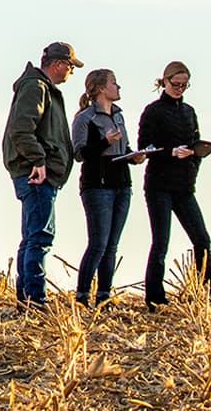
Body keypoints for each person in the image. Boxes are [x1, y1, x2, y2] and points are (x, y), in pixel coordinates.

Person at [137, 61, 211, 309]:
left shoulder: (189, 111)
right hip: (159, 185)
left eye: (184, 85)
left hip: (185, 186)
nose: (179, 89)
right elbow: (145, 147)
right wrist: (171, 153)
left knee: (202, 239)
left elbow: (195, 143)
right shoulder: (152, 112)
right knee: (161, 242)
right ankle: (155, 297)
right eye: (175, 84)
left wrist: (195, 156)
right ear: (164, 82)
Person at [2, 41, 83, 306]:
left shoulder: (41, 88)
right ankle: (35, 299)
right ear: (59, 64)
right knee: (40, 236)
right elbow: (21, 128)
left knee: (33, 236)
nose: (71, 72)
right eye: (71, 66)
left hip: (37, 171)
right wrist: (38, 160)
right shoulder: (37, 88)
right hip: (36, 173)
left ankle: (27, 297)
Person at [70, 69, 145, 307]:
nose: (118, 87)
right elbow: (80, 154)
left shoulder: (119, 116)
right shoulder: (85, 118)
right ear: (102, 88)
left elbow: (123, 149)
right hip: (97, 187)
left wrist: (134, 156)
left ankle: (104, 295)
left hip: (122, 184)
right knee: (98, 243)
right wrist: (105, 142)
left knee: (112, 244)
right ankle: (82, 295)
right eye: (114, 83)